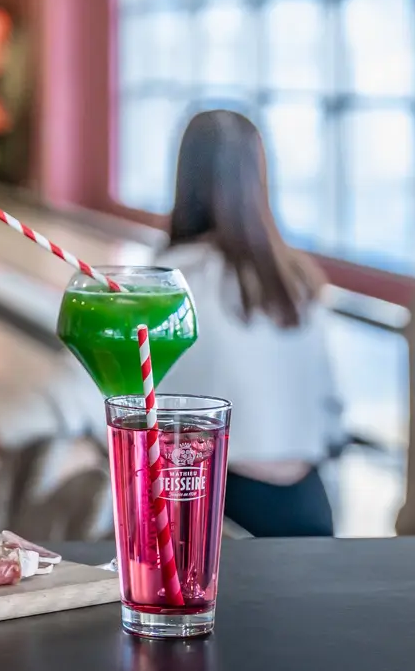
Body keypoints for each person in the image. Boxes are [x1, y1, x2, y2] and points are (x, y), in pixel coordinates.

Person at [135, 109, 341, 537]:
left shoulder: (173, 279)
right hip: (309, 507)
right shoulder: (299, 278)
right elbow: (331, 412)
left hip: (224, 509)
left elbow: (109, 401)